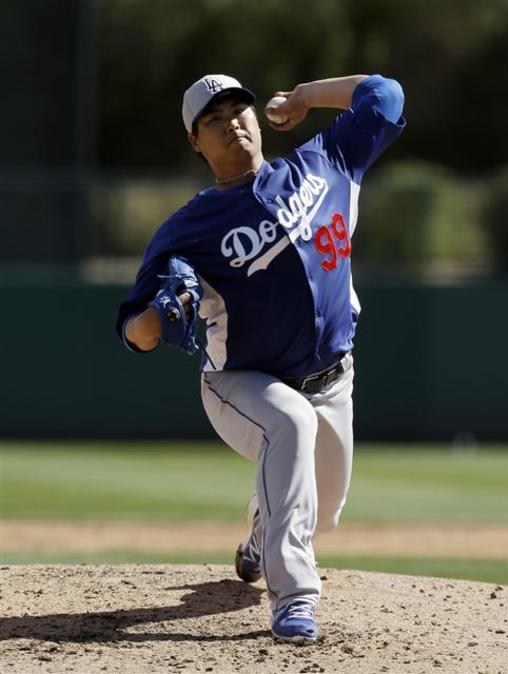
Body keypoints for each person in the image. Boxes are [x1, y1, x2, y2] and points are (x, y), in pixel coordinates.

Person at [116, 72, 405, 643]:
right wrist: (159, 315)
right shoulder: (187, 228)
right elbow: (134, 331)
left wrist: (305, 96)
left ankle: (259, 532)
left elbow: (386, 94)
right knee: (290, 423)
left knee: (322, 513)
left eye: (239, 110)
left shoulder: (324, 161)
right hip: (242, 382)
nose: (233, 124)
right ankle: (294, 598)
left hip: (332, 378)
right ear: (196, 142)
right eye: (214, 120)